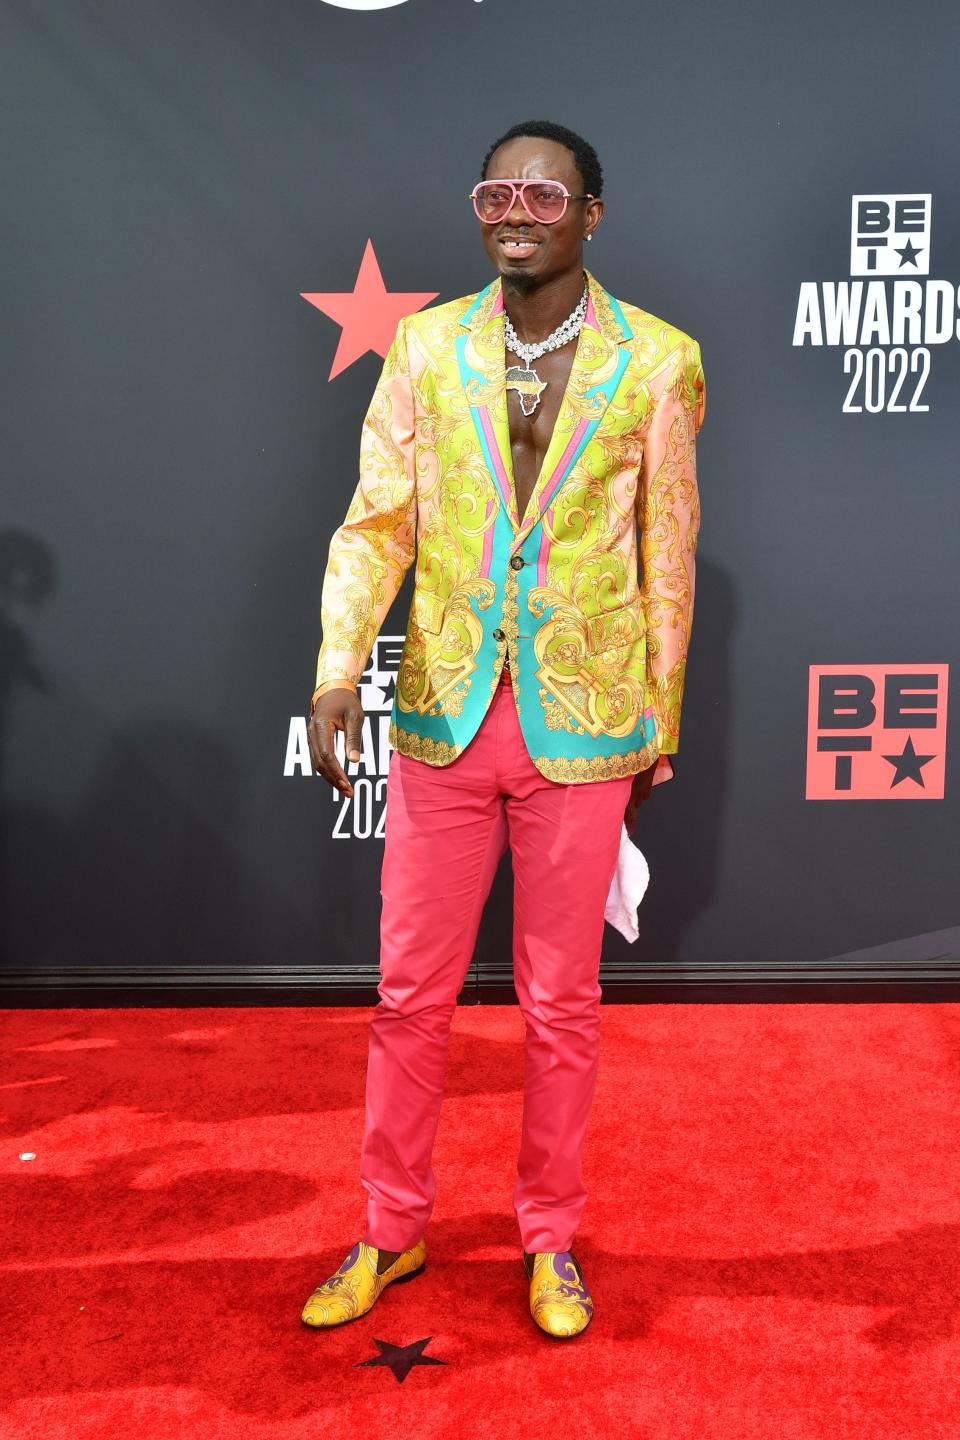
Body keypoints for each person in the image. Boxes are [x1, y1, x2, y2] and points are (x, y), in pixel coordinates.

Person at [302, 120, 705, 1339]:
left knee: (561, 1006)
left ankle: (551, 1240)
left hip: (582, 727)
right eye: (496, 190)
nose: (514, 209)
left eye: (544, 191)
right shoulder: (428, 349)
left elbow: (669, 554)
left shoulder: (659, 363)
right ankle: (389, 1229)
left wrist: (659, 722)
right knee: (408, 995)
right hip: (442, 712)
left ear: (594, 213)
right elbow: (379, 522)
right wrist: (335, 670)